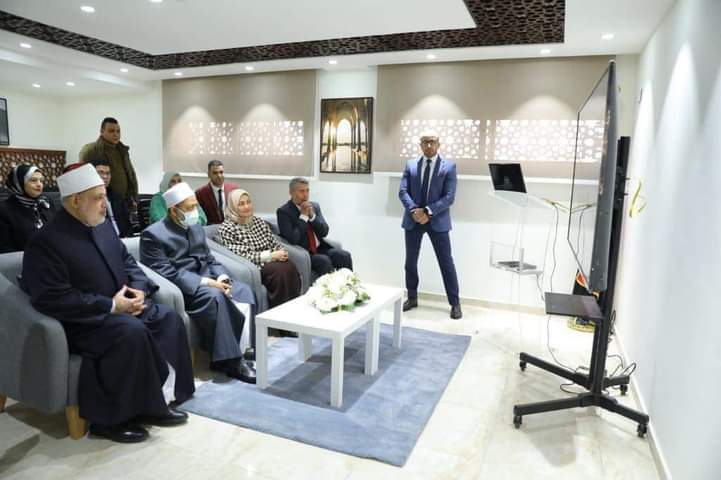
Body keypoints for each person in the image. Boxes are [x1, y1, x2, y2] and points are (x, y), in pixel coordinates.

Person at [21, 164, 194, 443]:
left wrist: (139, 291)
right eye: (98, 198)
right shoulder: (46, 242)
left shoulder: (101, 226)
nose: (105, 204)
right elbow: (53, 298)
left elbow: (128, 262)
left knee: (168, 319)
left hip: (121, 308)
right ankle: (112, 421)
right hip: (83, 321)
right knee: (130, 332)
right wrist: (111, 306)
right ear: (75, 201)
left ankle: (160, 401)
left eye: (104, 196)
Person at [140, 182, 257, 383]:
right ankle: (232, 362)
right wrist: (207, 283)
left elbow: (210, 259)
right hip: (187, 288)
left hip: (210, 279)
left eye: (196, 206)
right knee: (217, 296)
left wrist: (222, 277)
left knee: (244, 291)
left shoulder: (195, 228)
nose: (195, 211)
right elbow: (165, 272)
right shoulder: (153, 235)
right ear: (174, 211)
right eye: (190, 208)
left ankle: (245, 350)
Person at [399, 131, 462, 319]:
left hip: (437, 221)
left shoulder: (449, 166)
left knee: (446, 262)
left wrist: (427, 212)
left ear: (438, 145)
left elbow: (449, 197)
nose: (428, 145)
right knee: (410, 262)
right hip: (413, 220)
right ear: (420, 145)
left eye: (432, 142)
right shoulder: (411, 165)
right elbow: (403, 191)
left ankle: (455, 303)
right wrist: (414, 211)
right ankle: (412, 297)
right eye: (425, 142)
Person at [216, 188, 301, 310]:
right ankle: (278, 314)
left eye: (248, 202)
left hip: (273, 260)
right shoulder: (228, 228)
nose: (246, 206)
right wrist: (270, 256)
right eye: (241, 204)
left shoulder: (258, 221)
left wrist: (281, 252)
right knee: (280, 271)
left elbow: (273, 242)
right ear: (233, 206)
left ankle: (293, 310)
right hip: (255, 266)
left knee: (290, 266)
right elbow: (242, 255)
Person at [277, 177, 352, 276]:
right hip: (303, 253)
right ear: (291, 192)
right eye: (301, 191)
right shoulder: (284, 212)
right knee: (324, 261)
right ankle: (331, 286)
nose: (305, 195)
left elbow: (324, 231)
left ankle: (348, 284)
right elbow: (292, 239)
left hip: (320, 248)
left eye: (307, 191)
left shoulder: (315, 206)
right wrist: (303, 217)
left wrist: (312, 217)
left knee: (344, 255)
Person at [79, 117, 139, 212]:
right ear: (102, 131)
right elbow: (83, 179)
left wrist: (134, 197)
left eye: (118, 131)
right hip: (103, 203)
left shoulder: (122, 150)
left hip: (124, 203)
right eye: (111, 131)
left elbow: (130, 174)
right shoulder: (90, 150)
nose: (116, 134)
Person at [0, 165, 54, 253]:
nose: (39, 184)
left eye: (41, 180)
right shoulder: (4, 210)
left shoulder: (46, 203)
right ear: (19, 183)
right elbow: (4, 248)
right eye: (33, 180)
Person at [87, 152, 133, 237]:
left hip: (124, 240)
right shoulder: (87, 199)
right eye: (101, 172)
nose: (105, 177)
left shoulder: (117, 197)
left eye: (108, 173)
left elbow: (127, 224)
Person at [195, 160, 239, 225]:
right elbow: (201, 217)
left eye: (221, 172)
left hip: (231, 227)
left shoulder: (234, 189)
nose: (219, 176)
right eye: (215, 173)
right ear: (208, 175)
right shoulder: (200, 193)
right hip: (211, 228)